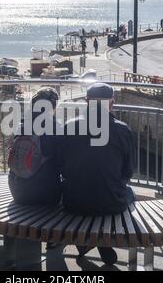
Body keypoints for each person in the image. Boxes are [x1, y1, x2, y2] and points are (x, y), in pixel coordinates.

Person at [58, 83, 137, 266]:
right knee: (129, 193)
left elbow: (60, 165)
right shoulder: (122, 130)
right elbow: (128, 171)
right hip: (111, 203)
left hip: (73, 201)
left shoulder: (70, 126)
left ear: (87, 102)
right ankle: (102, 241)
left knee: (90, 191)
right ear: (112, 103)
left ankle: (89, 242)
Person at [8, 87, 62, 207]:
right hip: (46, 195)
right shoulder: (56, 128)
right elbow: (63, 163)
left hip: (17, 191)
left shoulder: (21, 125)